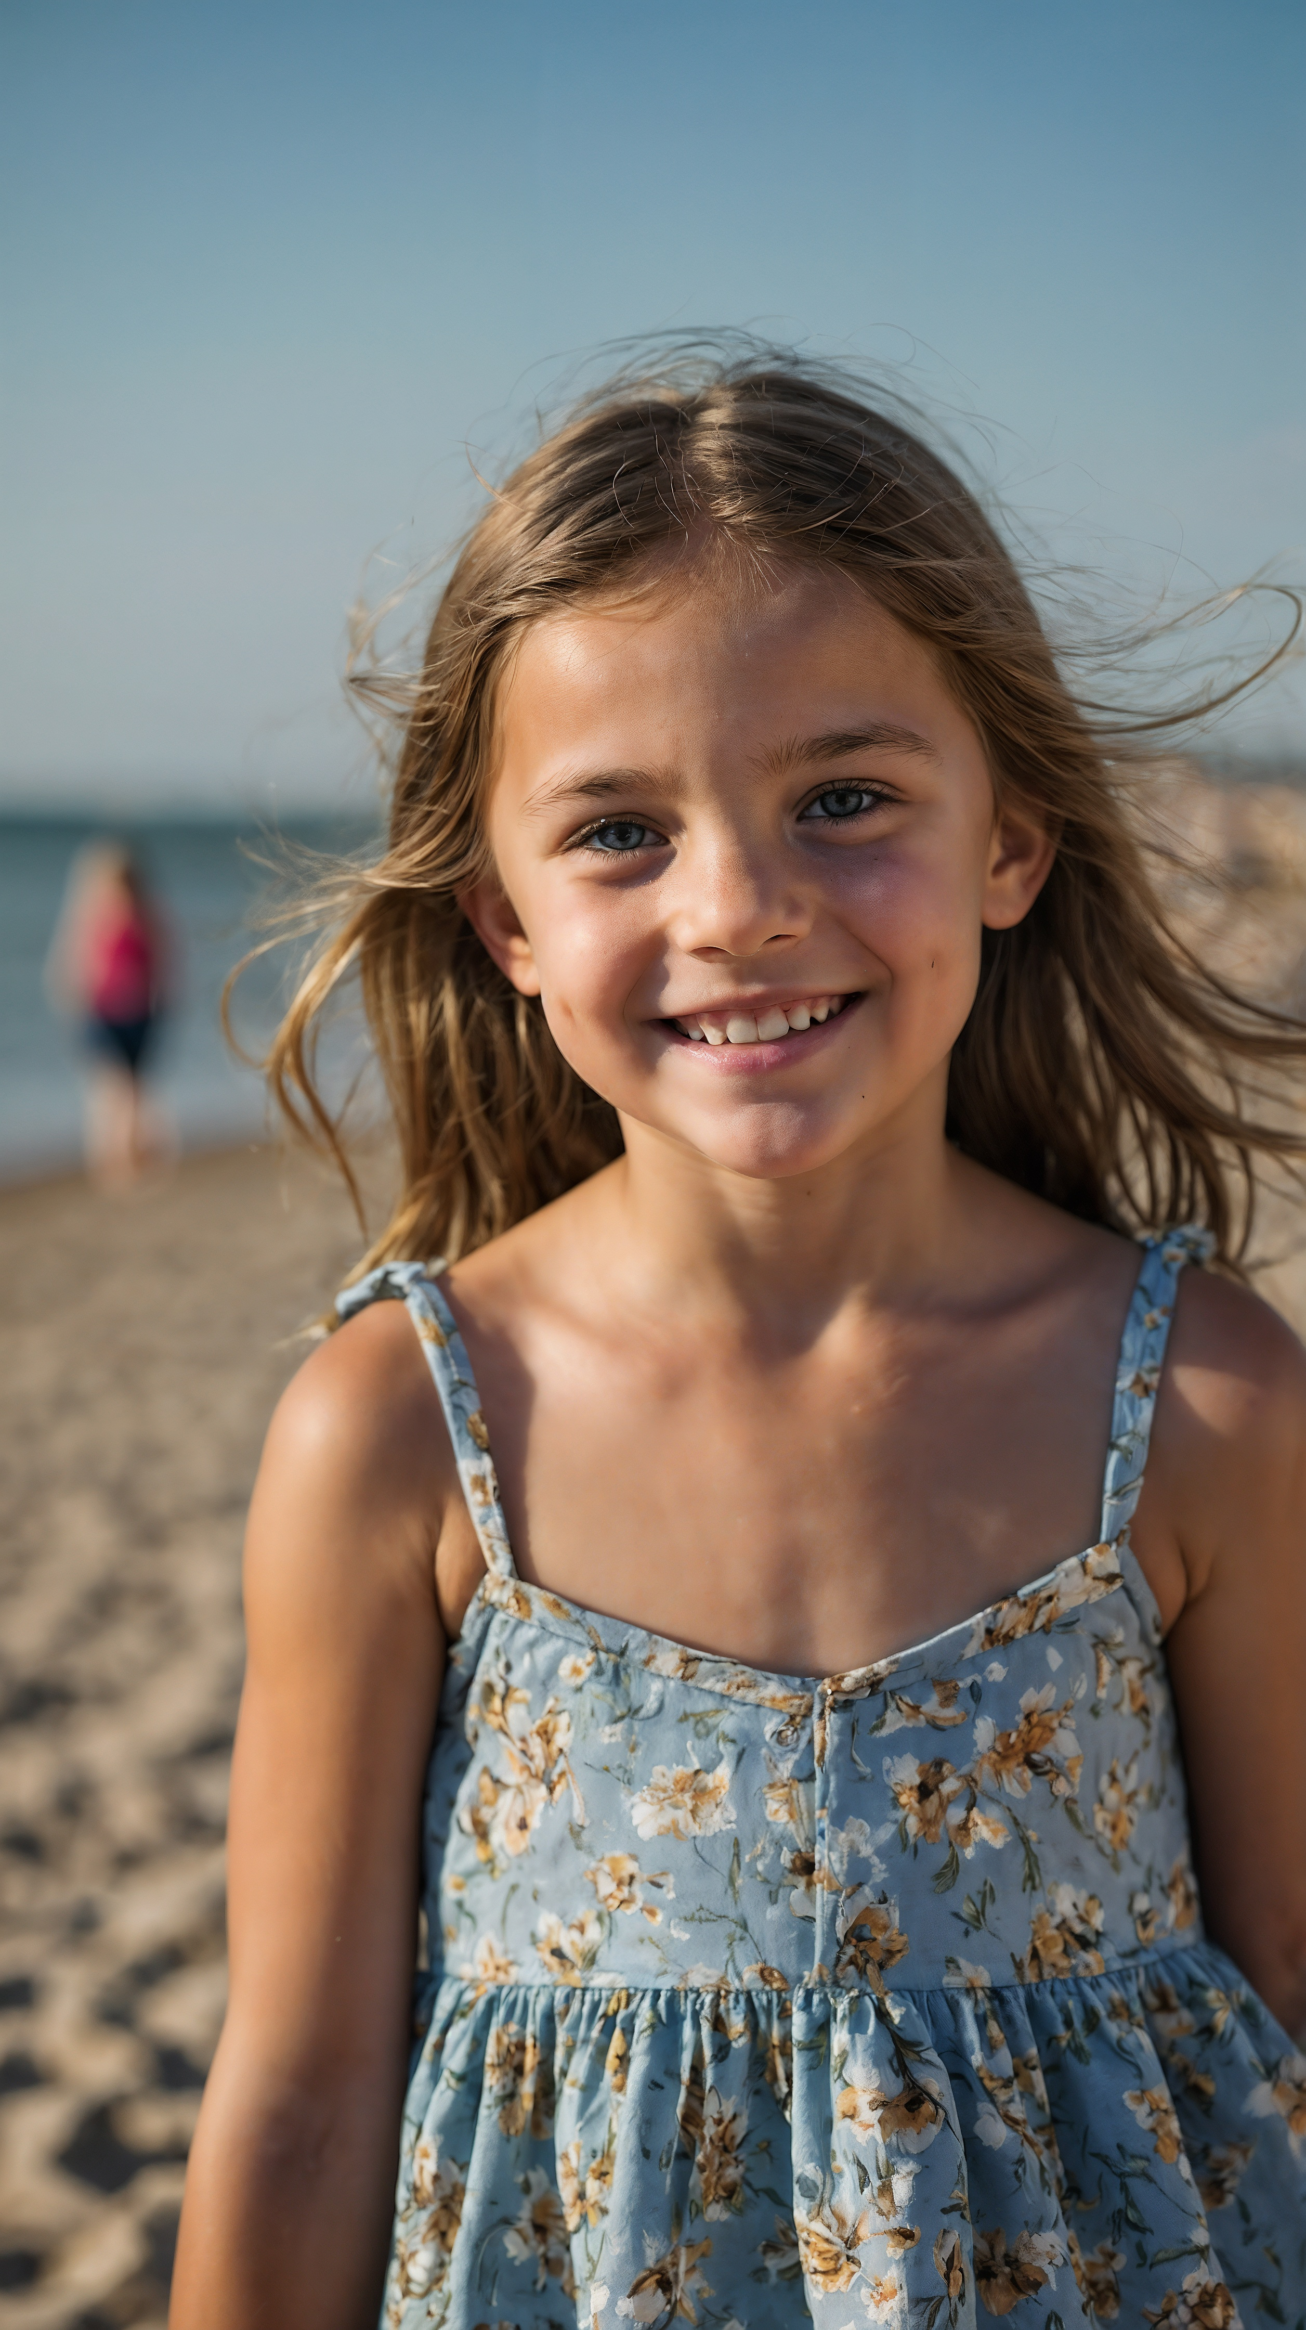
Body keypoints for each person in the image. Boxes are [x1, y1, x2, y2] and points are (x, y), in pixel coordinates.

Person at [171, 354, 1306, 2330]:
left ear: (1008, 841)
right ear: (502, 919)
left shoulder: (1202, 1399)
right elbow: (296, 2096)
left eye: (842, 799)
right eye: (617, 831)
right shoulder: (400, 1433)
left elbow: (1284, 1967)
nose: (741, 907)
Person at [45, 841, 172, 1187]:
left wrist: (165, 1002)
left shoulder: (148, 918)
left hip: (140, 1014)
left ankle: (132, 1157)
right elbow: (70, 963)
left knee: (134, 1092)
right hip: (101, 1014)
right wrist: (71, 1001)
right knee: (111, 1090)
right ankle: (111, 1162)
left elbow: (164, 961)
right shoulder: (91, 917)